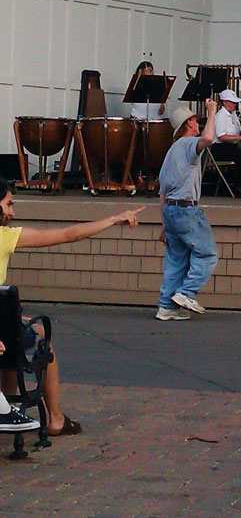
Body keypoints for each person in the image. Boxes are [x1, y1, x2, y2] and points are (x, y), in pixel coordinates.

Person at [0, 178, 142, 435]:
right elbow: (66, 235)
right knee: (41, 340)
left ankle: (7, 402)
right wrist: (112, 220)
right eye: (9, 204)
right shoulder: (5, 237)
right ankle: (55, 418)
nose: (12, 212)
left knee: (13, 329)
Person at [156, 99, 218, 321]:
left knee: (176, 259)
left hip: (171, 211)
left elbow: (162, 192)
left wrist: (164, 225)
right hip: (187, 209)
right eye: (196, 120)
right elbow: (209, 138)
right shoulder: (189, 144)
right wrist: (212, 112)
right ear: (190, 123)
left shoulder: (171, 151)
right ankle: (186, 293)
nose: (198, 123)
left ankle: (166, 307)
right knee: (207, 254)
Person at [212, 89, 241, 197]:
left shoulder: (234, 115)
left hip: (231, 146)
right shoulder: (220, 116)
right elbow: (221, 136)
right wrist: (240, 137)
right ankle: (239, 186)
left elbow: (237, 131)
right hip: (219, 148)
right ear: (225, 102)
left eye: (235, 102)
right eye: (232, 102)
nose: (235, 104)